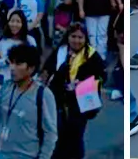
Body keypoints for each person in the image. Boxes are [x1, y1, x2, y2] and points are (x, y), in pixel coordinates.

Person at [41, 23, 106, 159]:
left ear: (85, 38)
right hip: (58, 100)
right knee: (57, 136)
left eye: (80, 37)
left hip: (80, 103)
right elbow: (47, 70)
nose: (76, 40)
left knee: (75, 137)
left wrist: (85, 82)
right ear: (68, 37)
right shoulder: (61, 52)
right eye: (73, 36)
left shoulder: (91, 55)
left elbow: (102, 76)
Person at [0, 43, 57, 159]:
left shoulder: (43, 94)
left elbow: (50, 134)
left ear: (31, 68)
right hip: (2, 154)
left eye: (18, 64)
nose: (12, 68)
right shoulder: (5, 88)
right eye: (11, 62)